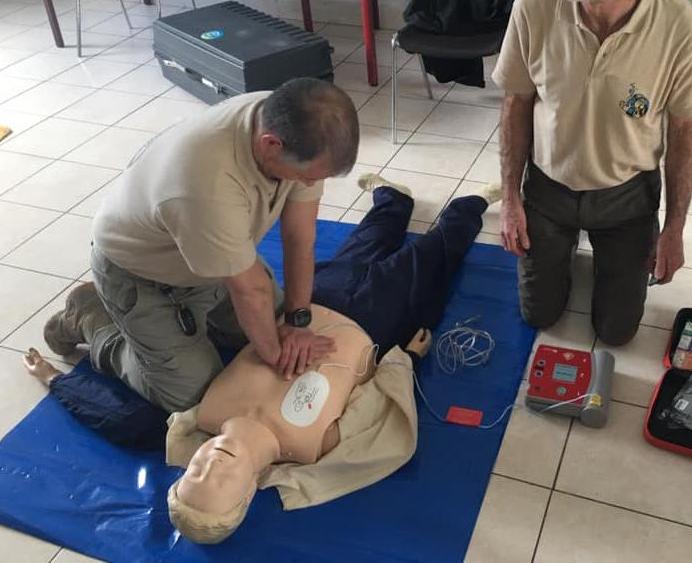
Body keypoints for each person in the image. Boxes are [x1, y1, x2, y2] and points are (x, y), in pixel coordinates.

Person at [24, 174, 503, 544]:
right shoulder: (313, 447)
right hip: (373, 326)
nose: (210, 466)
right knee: (431, 259)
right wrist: (407, 360)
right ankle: (470, 205)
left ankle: (392, 200)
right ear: (248, 494)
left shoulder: (200, 415)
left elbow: (118, 419)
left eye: (194, 473)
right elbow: (379, 410)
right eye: (220, 483)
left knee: (362, 247)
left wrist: (54, 379)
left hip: (305, 310)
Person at [43, 78, 361, 413]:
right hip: (141, 276)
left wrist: (297, 321)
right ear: (271, 145)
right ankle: (89, 315)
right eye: (308, 176)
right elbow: (251, 291)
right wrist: (276, 358)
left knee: (274, 328)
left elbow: (300, 237)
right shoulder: (206, 182)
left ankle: (195, 323)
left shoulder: (295, 122)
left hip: (209, 260)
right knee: (193, 396)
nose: (311, 183)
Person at [492, 0, 692, 345]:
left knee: (617, 332)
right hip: (548, 190)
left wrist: (675, 226)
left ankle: (601, 257)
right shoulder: (532, 7)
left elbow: (686, 128)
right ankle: (562, 249)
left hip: (627, 197)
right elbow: (516, 102)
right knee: (539, 315)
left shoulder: (684, 24)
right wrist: (509, 199)